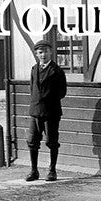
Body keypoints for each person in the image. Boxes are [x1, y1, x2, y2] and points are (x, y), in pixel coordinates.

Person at [25, 40, 67, 182]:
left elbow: (62, 92)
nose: (43, 55)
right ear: (37, 54)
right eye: (40, 52)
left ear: (51, 53)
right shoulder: (34, 69)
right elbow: (32, 89)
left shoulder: (57, 71)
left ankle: (52, 170)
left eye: (46, 52)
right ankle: (34, 170)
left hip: (51, 112)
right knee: (32, 141)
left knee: (52, 141)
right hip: (35, 111)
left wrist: (48, 101)